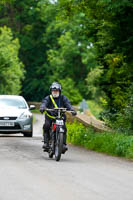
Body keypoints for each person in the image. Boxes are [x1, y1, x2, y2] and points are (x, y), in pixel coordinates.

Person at [40, 82, 77, 151]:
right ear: (51, 91)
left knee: (64, 128)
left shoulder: (63, 98)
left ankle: (63, 144)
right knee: (46, 126)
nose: (55, 92)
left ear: (59, 91)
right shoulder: (48, 98)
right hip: (50, 117)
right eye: (53, 90)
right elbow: (44, 103)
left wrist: (72, 110)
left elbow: (68, 104)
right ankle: (46, 143)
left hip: (60, 117)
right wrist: (42, 108)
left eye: (56, 90)